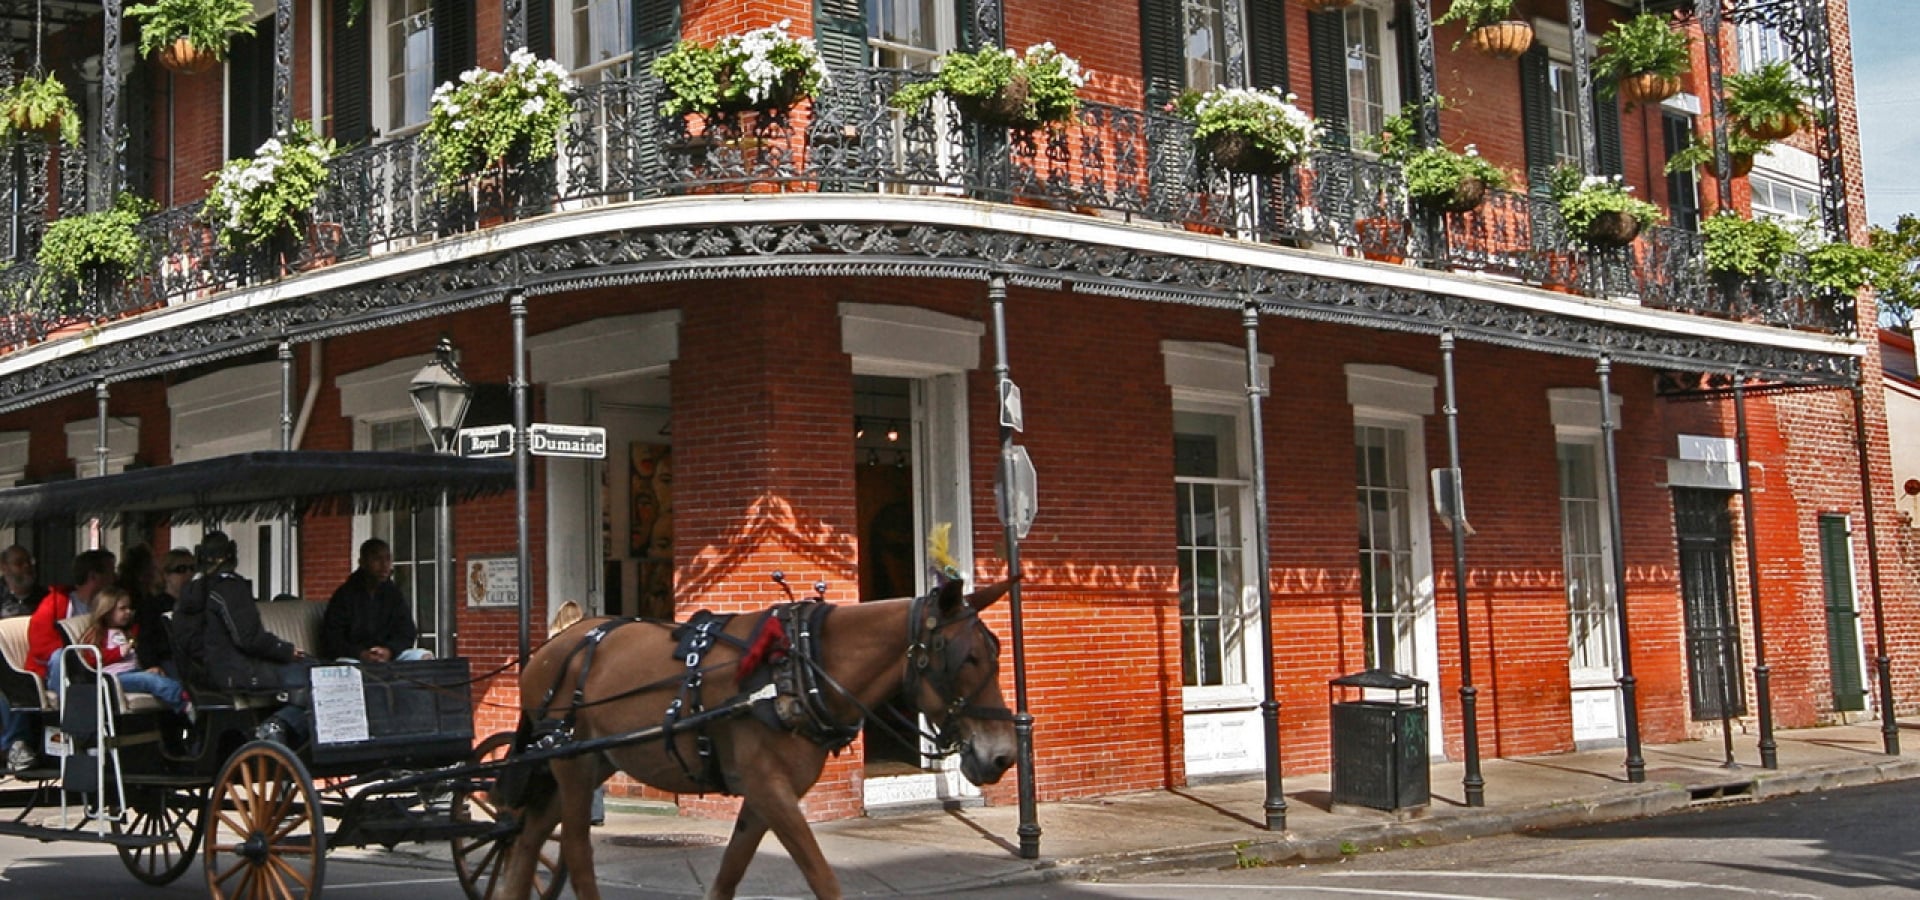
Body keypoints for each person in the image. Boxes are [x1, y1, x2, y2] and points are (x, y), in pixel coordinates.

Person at [172, 532, 310, 745]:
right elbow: (249, 639)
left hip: (210, 673)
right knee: (315, 678)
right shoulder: (230, 589)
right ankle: (277, 725)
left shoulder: (190, 592)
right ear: (232, 556)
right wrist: (286, 651)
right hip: (239, 672)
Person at [61, 586, 190, 716]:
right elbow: (90, 659)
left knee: (158, 676)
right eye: (122, 609)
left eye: (129, 608)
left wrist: (148, 667)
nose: (128, 612)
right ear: (107, 611)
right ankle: (186, 703)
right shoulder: (97, 633)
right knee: (150, 681)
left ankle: (183, 700)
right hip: (113, 678)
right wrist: (117, 653)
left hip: (134, 672)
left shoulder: (128, 632)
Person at [321, 538, 430, 664]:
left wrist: (389, 650)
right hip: (355, 658)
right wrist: (361, 654)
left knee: (424, 656)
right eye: (377, 559)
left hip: (389, 655)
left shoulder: (393, 594)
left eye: (388, 559)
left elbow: (407, 631)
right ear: (362, 562)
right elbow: (332, 639)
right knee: (346, 666)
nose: (384, 565)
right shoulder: (344, 595)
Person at [25, 549, 115, 681]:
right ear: (93, 576)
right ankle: (63, 700)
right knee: (58, 657)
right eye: (110, 572)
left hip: (99, 665)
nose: (114, 577)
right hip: (53, 672)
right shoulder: (56, 602)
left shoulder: (110, 605)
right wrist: (79, 656)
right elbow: (40, 644)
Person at [0, 545, 45, 619]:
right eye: (19, 563)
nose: (26, 566)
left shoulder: (45, 598)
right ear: (4, 567)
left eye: (29, 561)